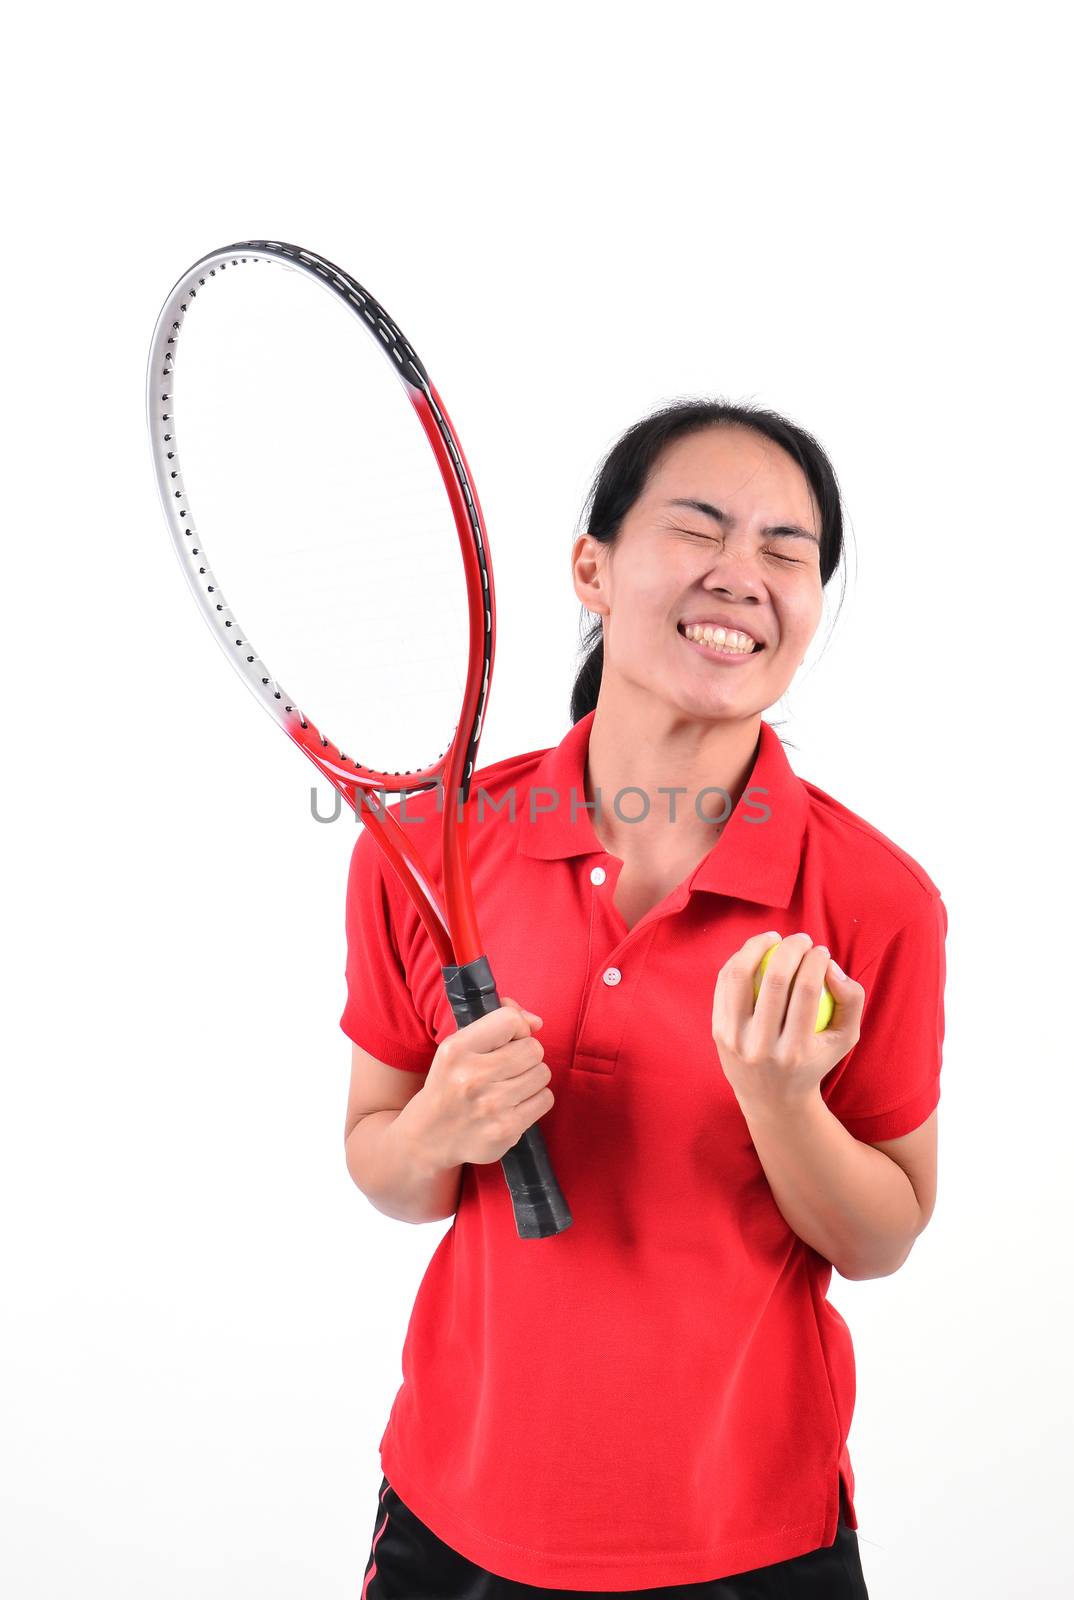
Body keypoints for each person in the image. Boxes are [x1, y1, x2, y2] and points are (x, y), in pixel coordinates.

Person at [343, 399, 947, 1598]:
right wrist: (436, 1130)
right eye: (700, 528)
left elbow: (881, 1237)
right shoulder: (426, 852)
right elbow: (383, 1165)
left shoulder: (878, 900)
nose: (744, 575)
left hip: (754, 1539)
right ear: (593, 566)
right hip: (454, 1519)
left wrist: (784, 1104)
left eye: (789, 550)